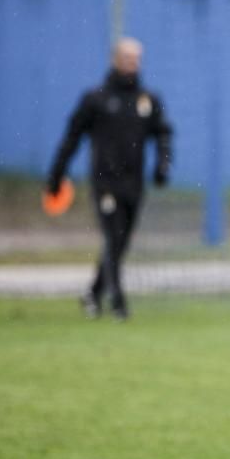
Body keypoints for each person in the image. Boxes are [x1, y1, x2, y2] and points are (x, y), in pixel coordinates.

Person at [45, 37, 173, 321]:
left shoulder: (147, 100)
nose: (133, 64)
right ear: (115, 59)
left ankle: (93, 293)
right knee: (113, 237)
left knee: (121, 242)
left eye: (137, 59)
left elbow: (163, 133)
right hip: (105, 182)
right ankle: (118, 302)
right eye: (128, 58)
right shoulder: (97, 99)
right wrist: (56, 175)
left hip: (134, 184)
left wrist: (163, 165)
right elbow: (72, 138)